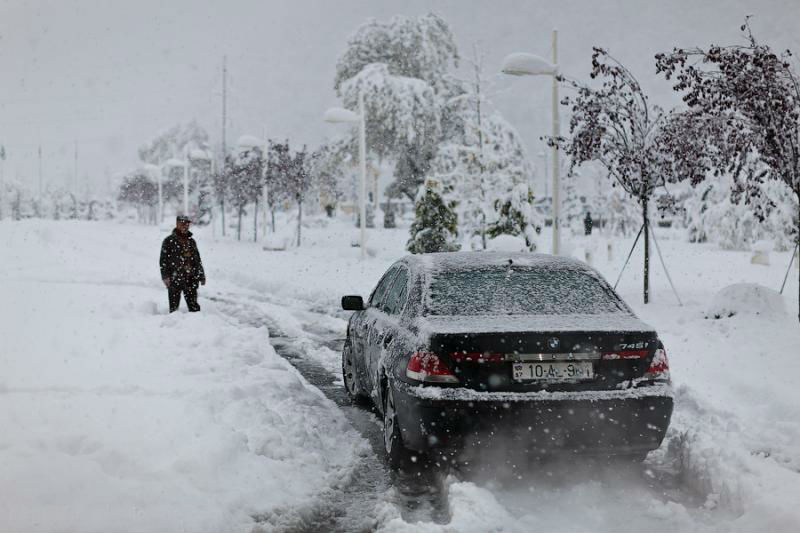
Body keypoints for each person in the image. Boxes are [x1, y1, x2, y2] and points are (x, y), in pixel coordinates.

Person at [160, 215, 206, 313]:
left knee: (194, 309)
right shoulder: (169, 241)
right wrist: (165, 276)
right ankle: (174, 326)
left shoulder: (191, 241)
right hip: (174, 278)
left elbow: (197, 260)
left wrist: (201, 275)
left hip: (191, 278)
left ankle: (197, 326)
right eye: (182, 223)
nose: (185, 225)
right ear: (177, 224)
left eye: (187, 223)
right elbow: (163, 261)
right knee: (174, 310)